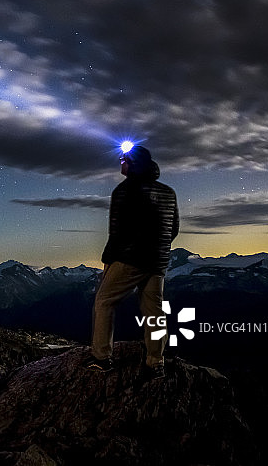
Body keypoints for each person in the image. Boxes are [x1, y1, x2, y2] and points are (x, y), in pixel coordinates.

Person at [85, 145, 179, 379]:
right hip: (158, 261)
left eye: (123, 160)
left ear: (133, 163)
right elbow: (173, 229)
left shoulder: (124, 191)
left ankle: (101, 358)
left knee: (104, 301)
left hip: (130, 258)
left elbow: (117, 232)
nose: (120, 163)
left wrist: (108, 260)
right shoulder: (168, 192)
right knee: (154, 310)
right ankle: (156, 362)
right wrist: (158, 248)